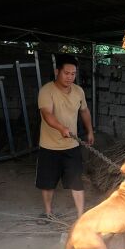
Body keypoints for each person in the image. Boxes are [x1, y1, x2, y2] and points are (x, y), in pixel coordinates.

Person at [35, 54, 94, 224]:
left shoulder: (78, 91)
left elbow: (84, 111)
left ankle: (81, 217)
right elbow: (47, 114)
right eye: (66, 73)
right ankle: (48, 213)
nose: (70, 77)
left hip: (71, 145)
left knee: (77, 182)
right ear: (57, 71)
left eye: (73, 74)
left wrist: (90, 131)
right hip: (49, 146)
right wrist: (61, 128)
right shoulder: (47, 91)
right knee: (48, 183)